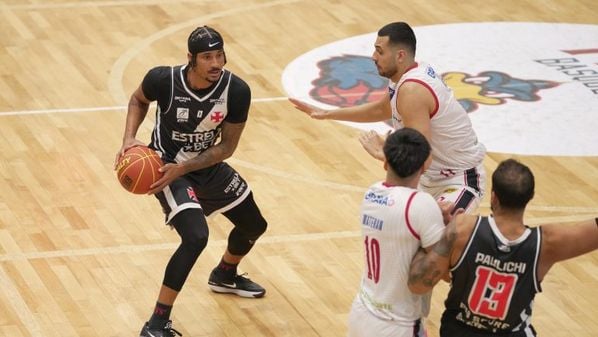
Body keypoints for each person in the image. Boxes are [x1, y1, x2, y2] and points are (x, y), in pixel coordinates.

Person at [114, 25, 268, 337]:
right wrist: (130, 138)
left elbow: (227, 147)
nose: (215, 63)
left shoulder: (236, 91)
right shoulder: (163, 80)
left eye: (219, 55)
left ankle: (225, 274)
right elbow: (137, 99)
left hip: (205, 167)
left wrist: (185, 169)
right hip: (165, 169)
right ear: (191, 59)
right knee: (196, 237)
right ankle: (156, 323)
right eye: (207, 57)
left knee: (254, 226)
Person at [289, 21, 486, 213]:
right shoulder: (404, 76)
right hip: (428, 179)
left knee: (441, 237)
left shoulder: (413, 90)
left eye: (380, 51)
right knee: (407, 236)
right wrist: (326, 113)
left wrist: (383, 154)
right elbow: (380, 110)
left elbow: (421, 158)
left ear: (400, 55)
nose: (373, 57)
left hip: (457, 179)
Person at [407, 158, 598, 337]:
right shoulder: (547, 243)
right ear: (530, 197)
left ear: (493, 197)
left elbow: (418, 284)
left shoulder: (462, 230)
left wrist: (429, 239)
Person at [348, 127, 449, 337]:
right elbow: (444, 270)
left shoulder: (372, 192)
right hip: (397, 324)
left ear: (385, 162)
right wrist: (452, 229)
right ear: (423, 167)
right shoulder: (421, 205)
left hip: (361, 312)